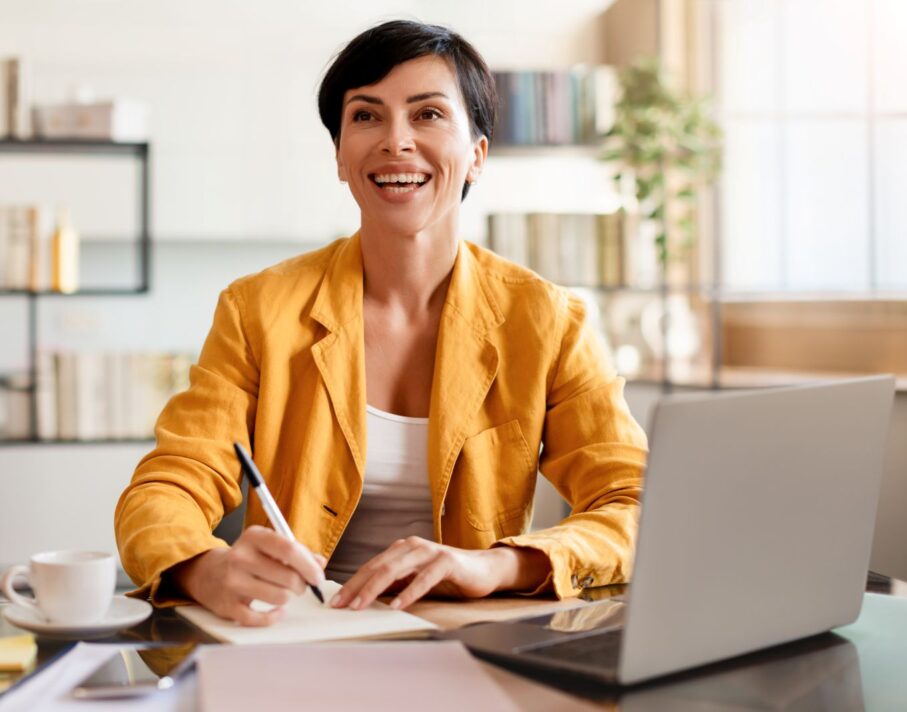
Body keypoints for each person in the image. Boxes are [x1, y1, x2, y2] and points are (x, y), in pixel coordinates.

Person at [115, 19, 647, 627]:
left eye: (427, 115)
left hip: (470, 638)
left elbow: (632, 504)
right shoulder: (257, 309)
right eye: (366, 116)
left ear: (477, 155)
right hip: (295, 635)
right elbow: (164, 489)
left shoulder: (551, 322)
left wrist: (497, 567)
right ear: (341, 156)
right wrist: (202, 567)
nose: (396, 141)